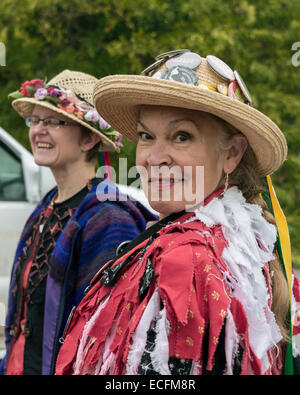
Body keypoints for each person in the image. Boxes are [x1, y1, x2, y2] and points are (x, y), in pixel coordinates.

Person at [55, 51, 300, 375]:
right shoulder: (239, 244)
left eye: (181, 136)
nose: (154, 157)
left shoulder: (186, 262)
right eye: (146, 136)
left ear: (233, 152)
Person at [0, 70, 156, 375]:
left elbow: (106, 333)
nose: (39, 131)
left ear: (88, 138)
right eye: (36, 120)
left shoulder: (109, 219)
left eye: (54, 122)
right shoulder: (46, 207)